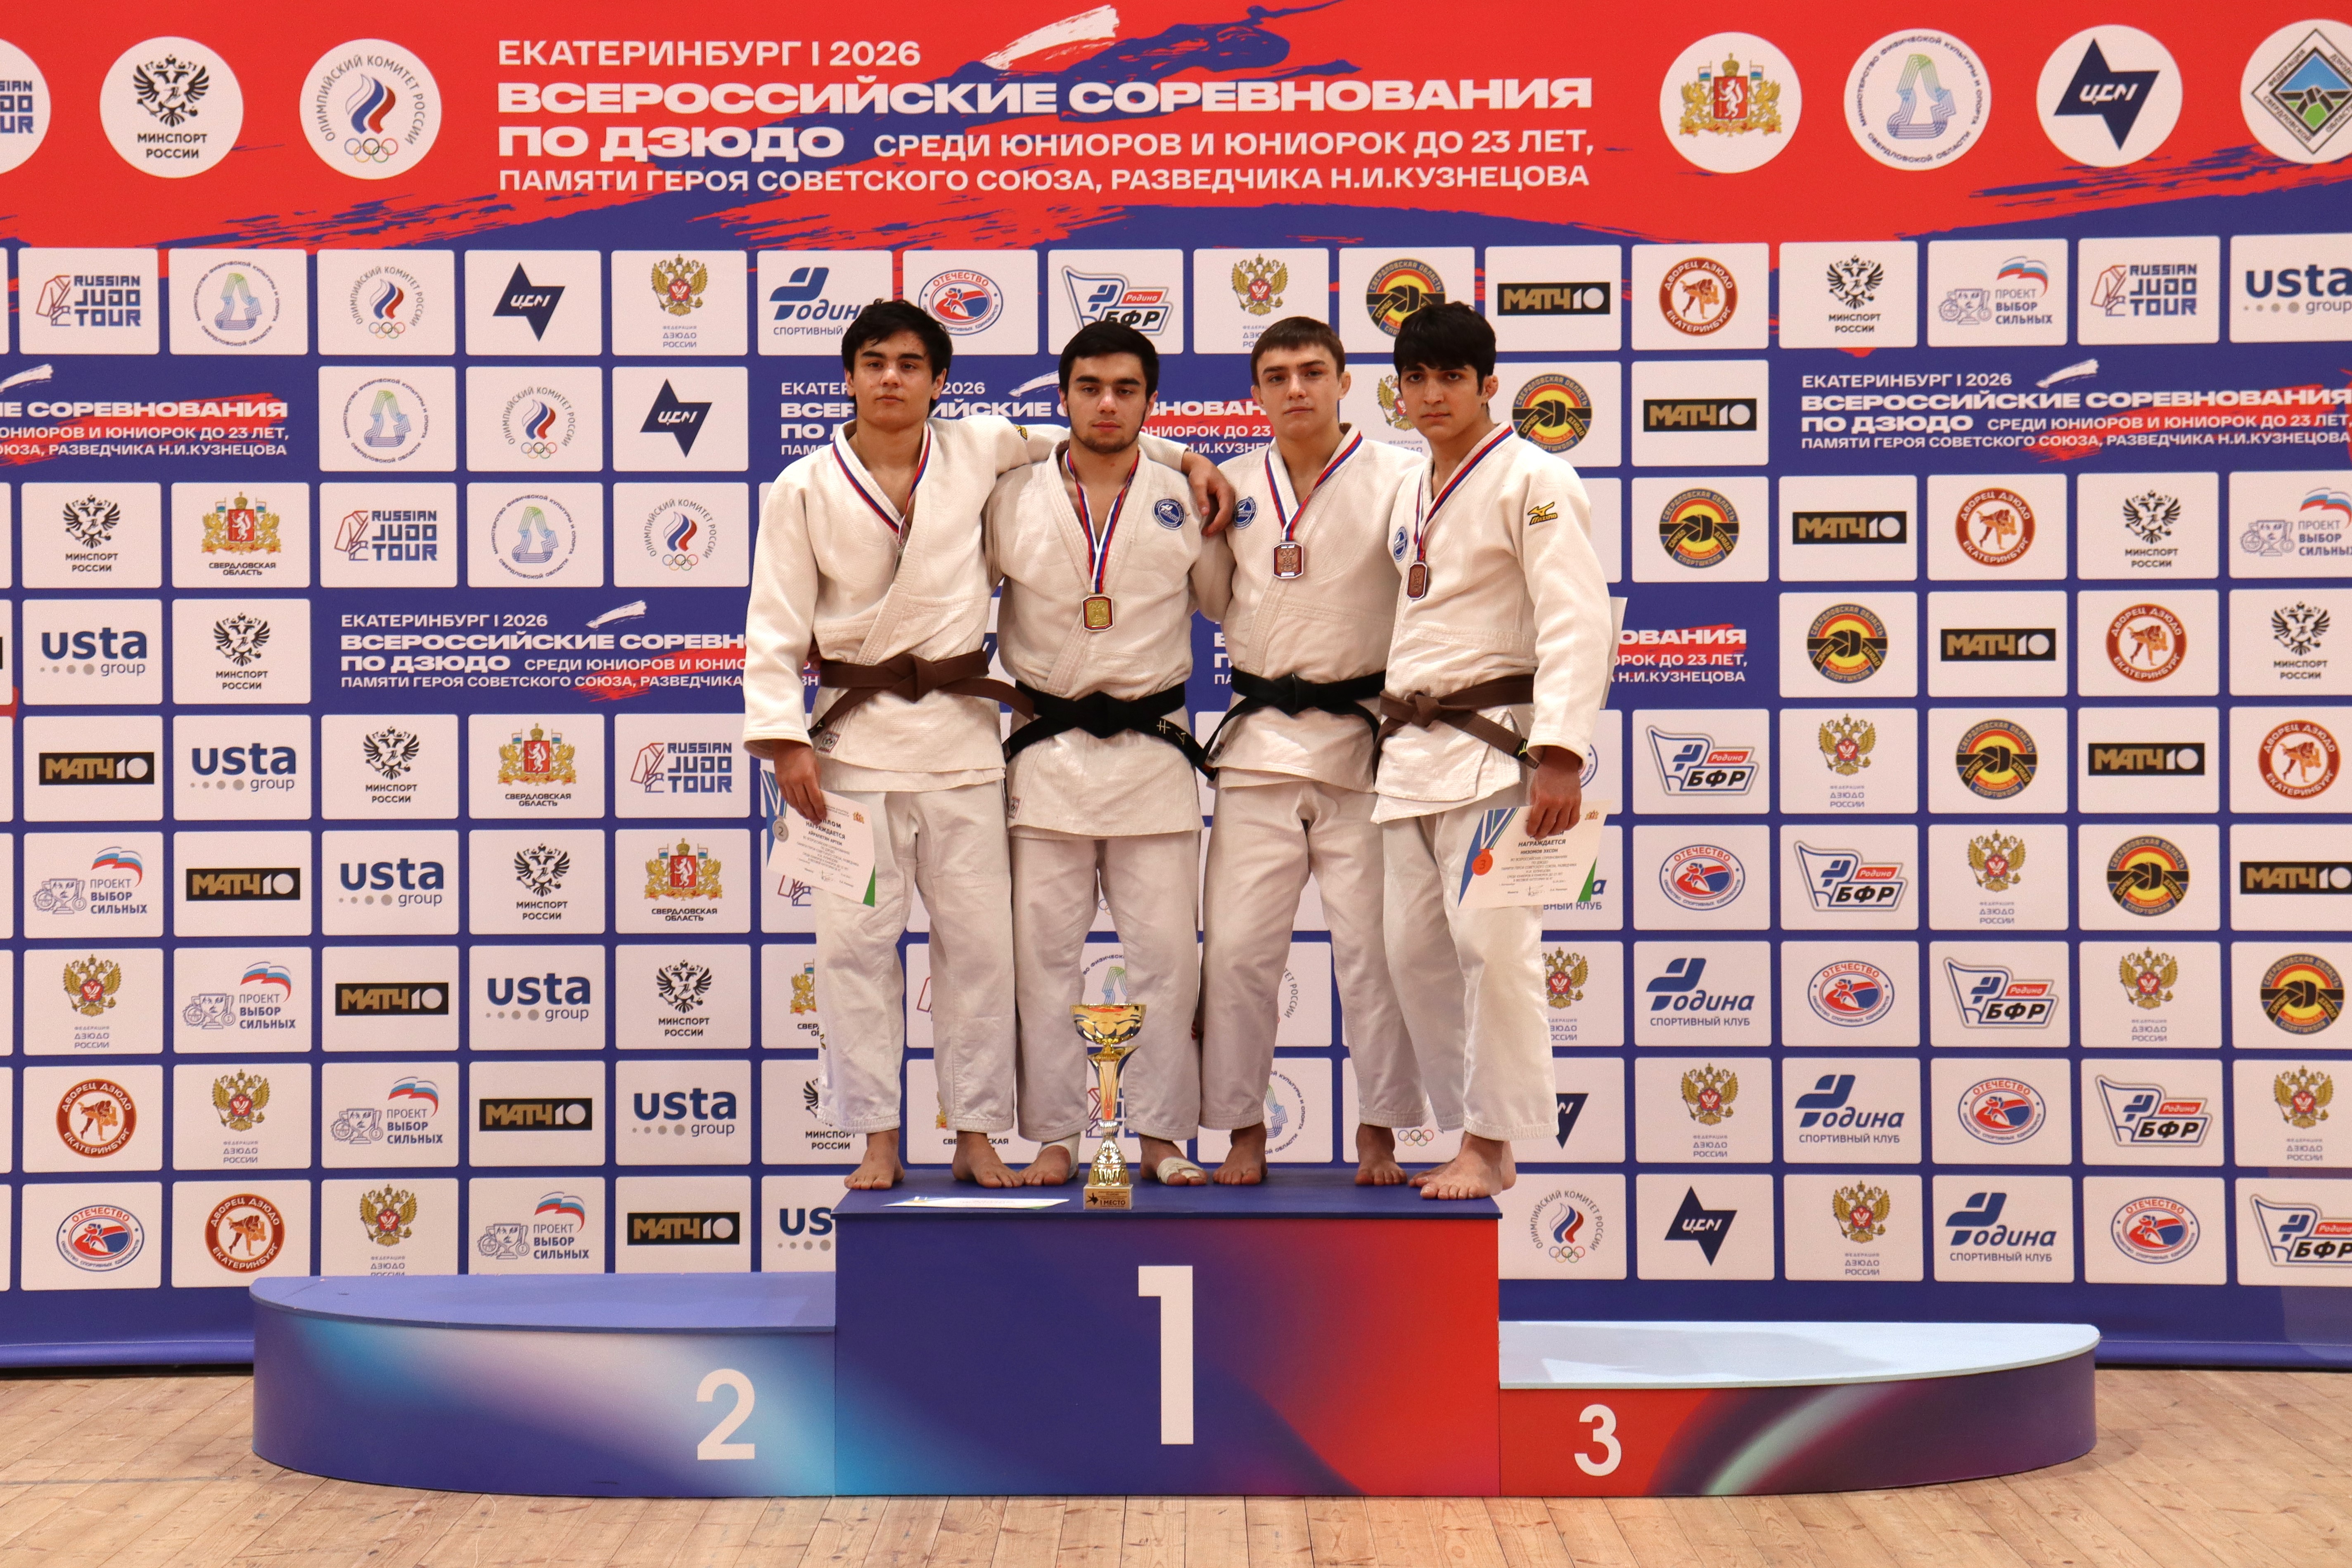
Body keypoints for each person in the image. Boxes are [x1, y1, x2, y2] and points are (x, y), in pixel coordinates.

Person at [744, 300, 1231, 1191]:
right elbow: (773, 624)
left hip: (964, 747)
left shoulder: (975, 447)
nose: (891, 379)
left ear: (939, 382)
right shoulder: (802, 486)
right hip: (847, 744)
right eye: (874, 363)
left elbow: (1094, 437)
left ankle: (974, 1131)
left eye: (910, 365)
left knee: (979, 954)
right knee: (852, 949)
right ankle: (877, 1138)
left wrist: (1189, 459)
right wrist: (784, 740)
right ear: (848, 376)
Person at [1373, 302, 1612, 1200]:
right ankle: (1474, 1132)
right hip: (1410, 754)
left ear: (1488, 386)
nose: (1433, 395)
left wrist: (1561, 752)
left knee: (1495, 948)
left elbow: (1576, 617)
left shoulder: (1536, 477)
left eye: (1451, 378)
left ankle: (1490, 1139)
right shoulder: (1409, 486)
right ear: (1398, 393)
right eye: (1417, 379)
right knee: (1413, 955)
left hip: (1499, 749)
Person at [984, 320, 1226, 1187]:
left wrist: (1190, 462)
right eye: (1089, 387)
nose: (1107, 404)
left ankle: (1160, 1135)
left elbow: (1224, 604)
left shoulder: (1186, 498)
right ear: (1063, 397)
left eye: (1126, 389)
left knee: (1167, 961)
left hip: (1151, 757)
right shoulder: (1010, 495)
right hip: (1046, 758)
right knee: (1041, 963)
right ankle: (1054, 1134)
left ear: (1151, 401)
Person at [1196, 316, 1430, 1185]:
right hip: (1259, 745)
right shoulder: (1230, 485)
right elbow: (1214, 599)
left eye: (1312, 371)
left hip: (1363, 744)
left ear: (1344, 381)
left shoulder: (1403, 479)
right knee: (1237, 953)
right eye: (1276, 376)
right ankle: (1242, 1126)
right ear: (1256, 392)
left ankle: (1380, 1127)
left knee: (1375, 953)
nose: (1295, 389)